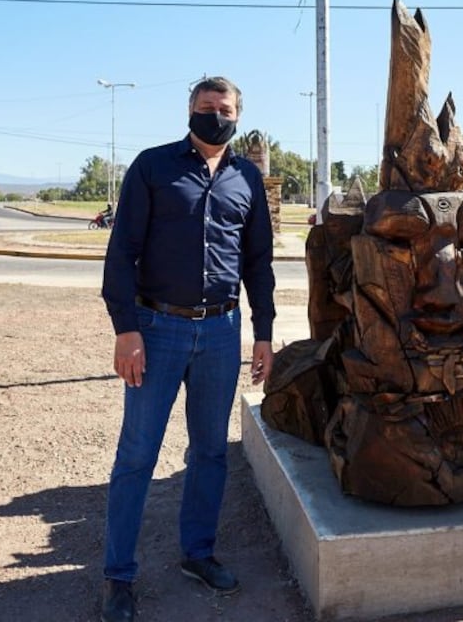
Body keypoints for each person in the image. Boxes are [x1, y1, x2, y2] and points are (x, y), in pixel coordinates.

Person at [99, 76, 276, 621]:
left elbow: (258, 263)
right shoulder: (152, 167)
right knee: (137, 455)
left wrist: (263, 332)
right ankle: (118, 577)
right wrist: (125, 329)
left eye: (224, 110)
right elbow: (121, 252)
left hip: (222, 333)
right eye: (206, 107)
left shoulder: (248, 177)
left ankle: (197, 553)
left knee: (210, 454)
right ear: (190, 111)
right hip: (157, 330)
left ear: (237, 117)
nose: (215, 116)